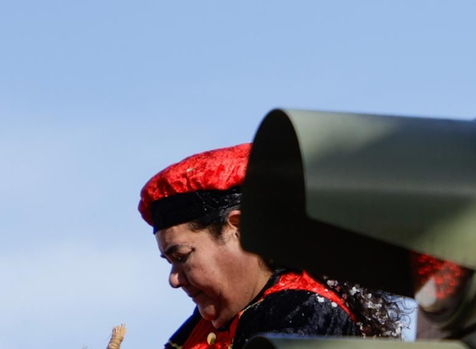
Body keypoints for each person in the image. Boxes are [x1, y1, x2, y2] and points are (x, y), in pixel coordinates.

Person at [141, 143, 404, 346]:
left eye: (182, 256)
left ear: (239, 227)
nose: (174, 280)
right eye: (170, 262)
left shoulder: (301, 313)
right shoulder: (203, 327)